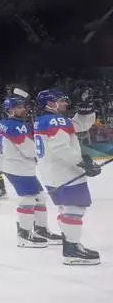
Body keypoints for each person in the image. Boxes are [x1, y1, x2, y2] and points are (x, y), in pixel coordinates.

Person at [33, 90, 101, 265]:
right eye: (61, 101)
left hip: (52, 173)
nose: (65, 103)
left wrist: (86, 110)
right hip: (64, 171)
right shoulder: (56, 120)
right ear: (51, 103)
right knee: (75, 209)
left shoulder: (44, 120)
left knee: (67, 209)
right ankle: (72, 249)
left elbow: (79, 125)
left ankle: (70, 244)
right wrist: (83, 162)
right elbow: (61, 149)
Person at [0, 96, 62, 248]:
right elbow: (28, 149)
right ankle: (24, 234)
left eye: (23, 106)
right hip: (18, 166)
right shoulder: (16, 126)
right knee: (28, 199)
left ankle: (41, 229)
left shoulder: (4, 123)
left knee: (40, 197)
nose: (23, 109)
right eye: (19, 107)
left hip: (15, 165)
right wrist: (45, 152)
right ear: (10, 111)